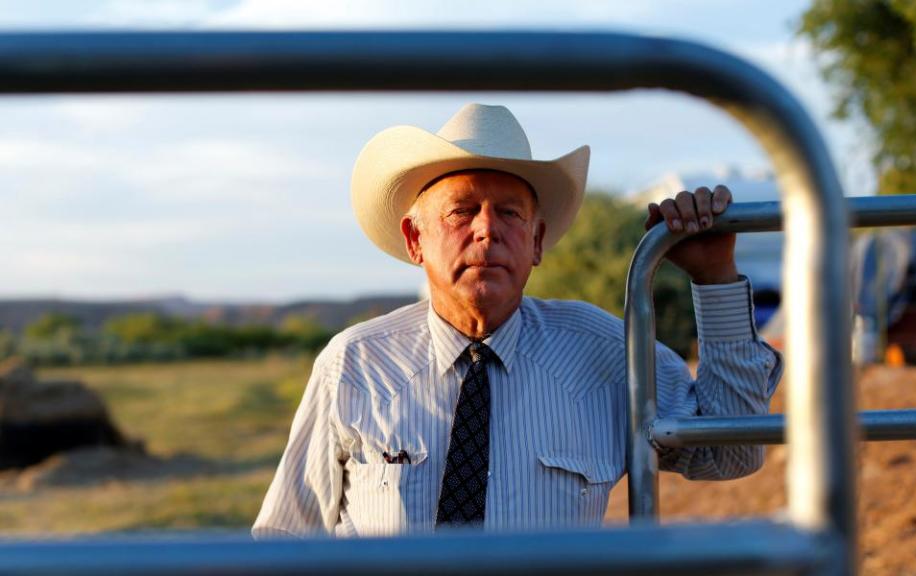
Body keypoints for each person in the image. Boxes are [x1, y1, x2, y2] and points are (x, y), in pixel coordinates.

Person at [253, 103, 782, 538]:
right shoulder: (357, 363)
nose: (487, 231)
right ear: (416, 240)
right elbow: (284, 540)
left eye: (509, 213)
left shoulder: (603, 352)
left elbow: (731, 453)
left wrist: (714, 277)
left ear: (536, 242)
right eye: (461, 211)